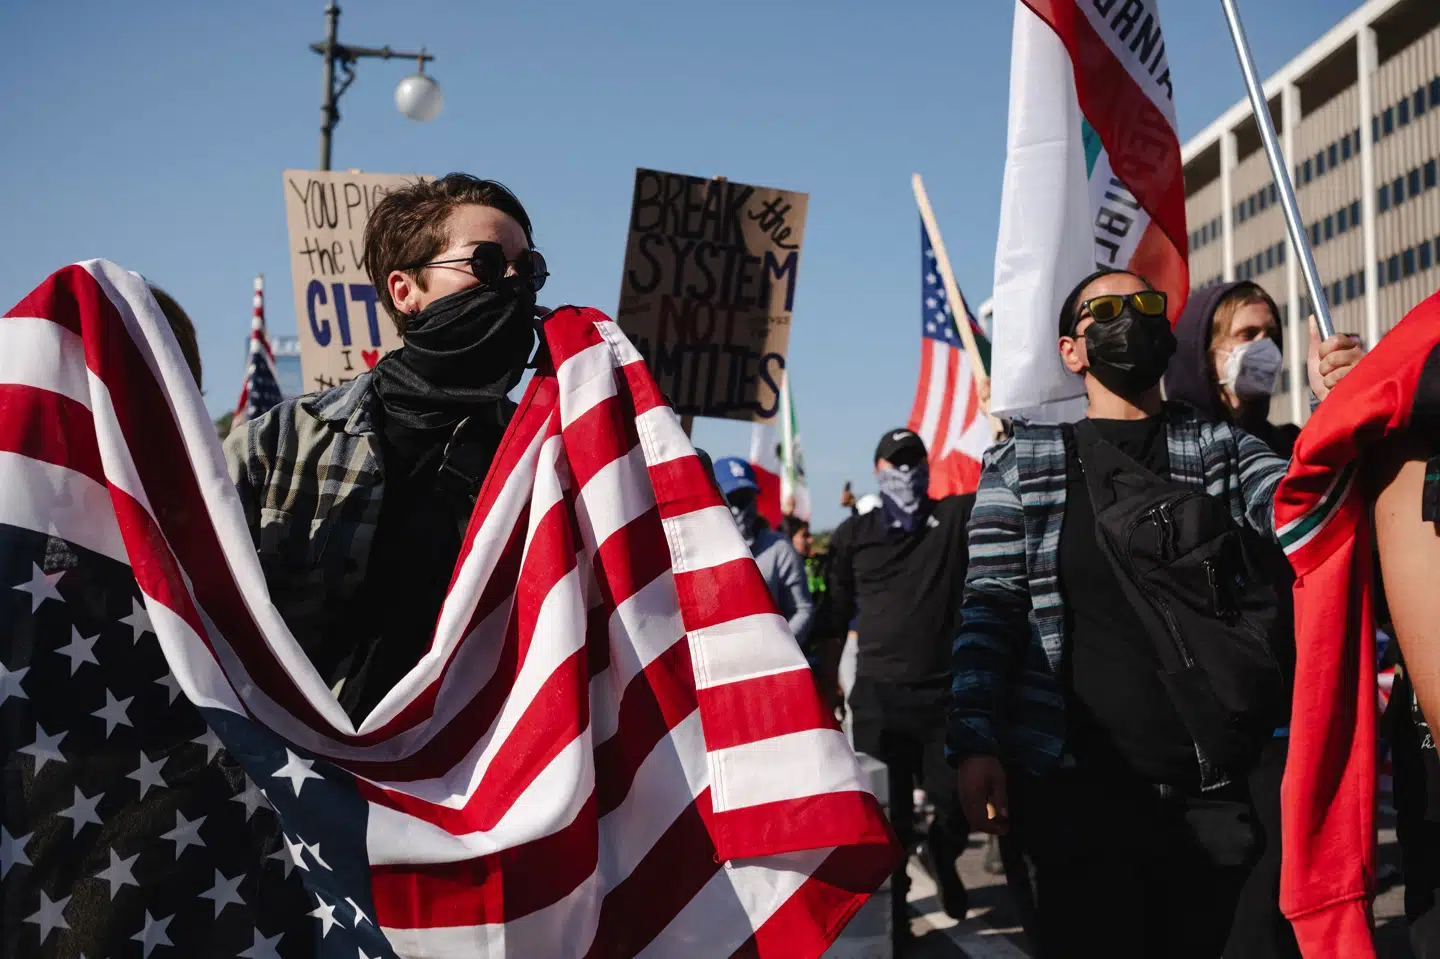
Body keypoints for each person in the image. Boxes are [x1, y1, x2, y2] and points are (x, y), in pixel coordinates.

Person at [950, 268, 1362, 959]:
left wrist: (1336, 415)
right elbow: (989, 610)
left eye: (1145, 304)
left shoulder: (1217, 447)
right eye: (1107, 309)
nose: (1130, 317)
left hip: (1212, 793)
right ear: (1071, 351)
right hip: (1079, 801)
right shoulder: (1021, 464)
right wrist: (973, 741)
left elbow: (1298, 511)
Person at [225, 173, 546, 721]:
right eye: (488, 263)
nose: (514, 284)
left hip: (466, 766)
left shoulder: (544, 458)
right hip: (296, 760)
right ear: (405, 291)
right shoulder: (279, 444)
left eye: (528, 269)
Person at [1164, 281, 1301, 959]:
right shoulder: (1172, 456)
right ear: (1206, 351)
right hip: (1205, 720)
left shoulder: (1293, 445)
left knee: (1284, 896)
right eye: (1246, 335)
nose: (1264, 348)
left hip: (1287, 711)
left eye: (1271, 333)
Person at [828, 428, 975, 947]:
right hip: (878, 700)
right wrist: (826, 685)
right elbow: (835, 616)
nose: (907, 471)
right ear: (878, 471)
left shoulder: (953, 519)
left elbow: (1003, 484)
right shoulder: (853, 535)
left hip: (944, 701)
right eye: (896, 462)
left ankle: (942, 851)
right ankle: (897, 927)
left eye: (914, 460)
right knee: (888, 822)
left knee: (959, 805)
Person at [712, 457, 813, 645]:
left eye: (746, 498)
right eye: (731, 499)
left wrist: (778, 649)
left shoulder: (779, 549)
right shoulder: (701, 552)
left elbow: (802, 609)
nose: (739, 509)